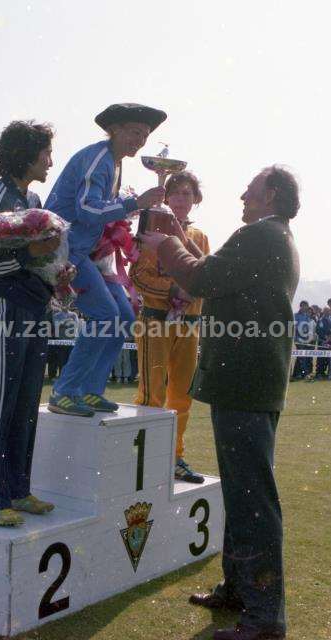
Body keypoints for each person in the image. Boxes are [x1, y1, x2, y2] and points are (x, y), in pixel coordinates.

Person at [139, 165, 300, 640]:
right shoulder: (274, 237)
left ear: (271, 194)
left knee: (252, 498)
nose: (242, 196)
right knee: (242, 491)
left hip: (246, 385)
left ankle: (266, 615)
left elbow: (202, 278)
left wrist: (163, 240)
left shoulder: (260, 236)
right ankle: (239, 590)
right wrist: (177, 238)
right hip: (252, 384)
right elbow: (211, 273)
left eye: (250, 190)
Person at [0, 120, 65, 527]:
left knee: (26, 405)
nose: (50, 160)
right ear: (26, 153)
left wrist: (56, 272)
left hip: (36, 309)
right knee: (1, 405)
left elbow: (36, 258)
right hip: (7, 309)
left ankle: (18, 490)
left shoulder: (33, 199)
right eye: (45, 152)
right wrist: (30, 256)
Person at [44, 103, 167, 417]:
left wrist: (132, 214)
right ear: (114, 129)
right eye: (134, 132)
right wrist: (133, 204)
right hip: (63, 250)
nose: (140, 140)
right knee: (104, 317)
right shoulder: (98, 158)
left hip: (85, 252)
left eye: (145, 135)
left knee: (124, 317)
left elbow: (103, 210)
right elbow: (87, 209)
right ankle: (65, 391)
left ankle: (91, 390)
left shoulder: (114, 162)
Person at [130, 171, 209, 483]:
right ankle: (143, 459)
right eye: (175, 193)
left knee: (182, 395)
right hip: (156, 321)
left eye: (187, 194)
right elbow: (138, 276)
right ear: (165, 197)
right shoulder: (151, 230)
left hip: (189, 323)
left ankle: (174, 457)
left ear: (195, 200)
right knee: (151, 393)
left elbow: (206, 274)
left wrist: (191, 292)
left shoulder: (200, 236)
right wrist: (173, 290)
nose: (181, 199)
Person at [291, 300, 312, 380]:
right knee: (301, 356)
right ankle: (301, 374)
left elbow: (307, 328)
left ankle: (298, 374)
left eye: (306, 305)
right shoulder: (295, 315)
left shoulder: (307, 316)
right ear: (301, 306)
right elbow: (294, 328)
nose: (304, 307)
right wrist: (296, 339)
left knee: (301, 356)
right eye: (303, 305)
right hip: (298, 339)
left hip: (305, 339)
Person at [315, 307, 331, 378]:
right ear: (323, 312)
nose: (327, 312)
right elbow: (318, 330)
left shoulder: (330, 319)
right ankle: (319, 373)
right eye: (326, 311)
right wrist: (325, 338)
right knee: (321, 358)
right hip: (322, 342)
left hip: (330, 342)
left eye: (328, 311)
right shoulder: (320, 320)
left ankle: (328, 373)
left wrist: (329, 338)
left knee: (329, 358)